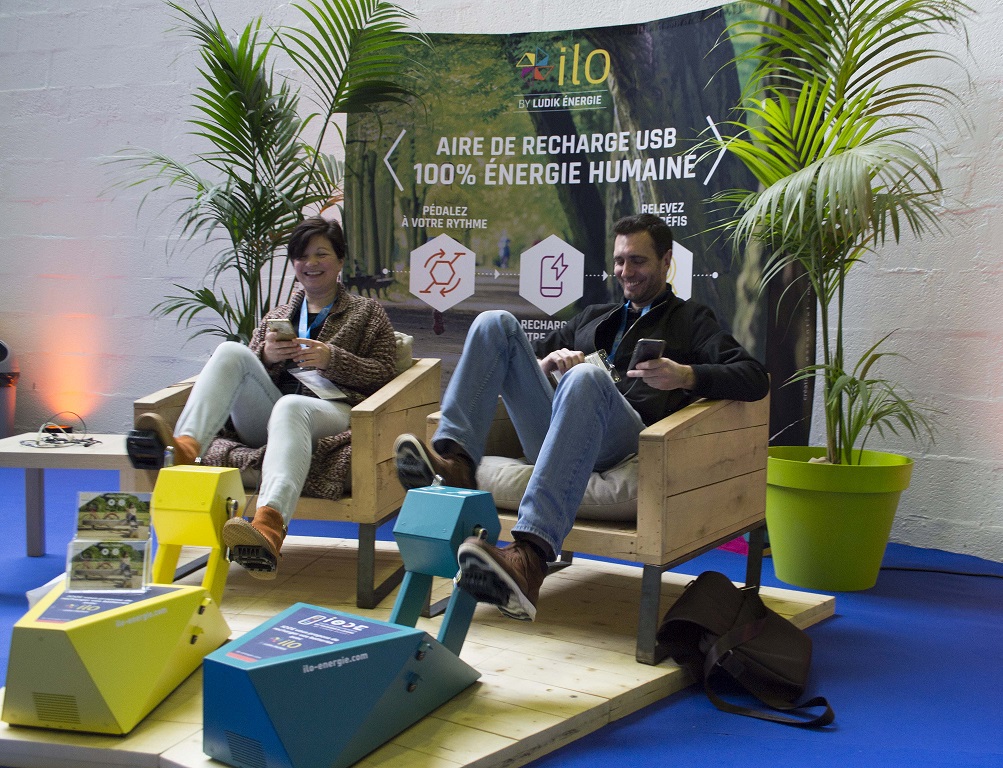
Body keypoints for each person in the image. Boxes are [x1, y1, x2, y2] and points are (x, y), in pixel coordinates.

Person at [394, 213, 769, 621]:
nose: (626, 271)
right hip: (558, 434)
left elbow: (753, 377)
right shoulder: (593, 315)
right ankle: (456, 464)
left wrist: (685, 375)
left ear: (666, 261)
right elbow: (522, 363)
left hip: (627, 443)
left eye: (638, 261)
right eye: (620, 260)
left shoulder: (691, 320)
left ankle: (530, 557)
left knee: (586, 377)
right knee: (493, 323)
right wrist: (545, 363)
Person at [130, 217, 397, 579]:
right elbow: (245, 372)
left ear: (340, 261)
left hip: (332, 413)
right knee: (230, 352)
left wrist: (332, 359)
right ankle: (186, 448)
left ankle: (269, 526)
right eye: (301, 256)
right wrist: (267, 357)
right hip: (269, 416)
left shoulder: (367, 313)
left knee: (292, 406)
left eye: (321, 254)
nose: (311, 263)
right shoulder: (278, 316)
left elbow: (384, 373)